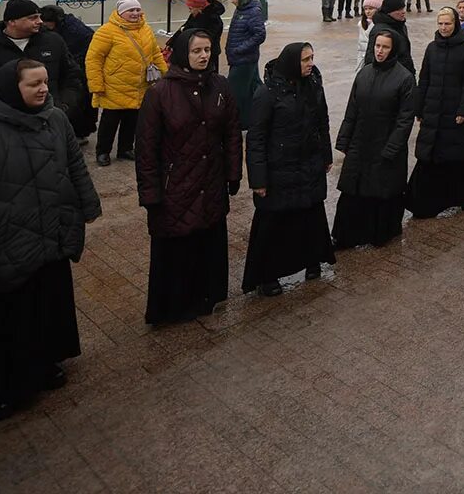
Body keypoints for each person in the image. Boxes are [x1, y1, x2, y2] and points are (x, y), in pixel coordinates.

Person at [0, 59, 101, 421]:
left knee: (45, 307)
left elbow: (75, 166)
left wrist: (87, 204)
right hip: (7, 244)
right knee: (3, 318)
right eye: (34, 84)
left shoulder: (55, 119)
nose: (44, 89)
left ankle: (43, 365)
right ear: (9, 89)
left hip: (50, 235)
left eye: (46, 82)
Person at [135, 30, 242, 324]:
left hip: (210, 182)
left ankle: (206, 297)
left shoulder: (220, 85)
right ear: (184, 53)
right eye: (197, 51)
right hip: (176, 187)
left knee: (207, 243)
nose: (204, 56)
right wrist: (150, 194)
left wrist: (233, 173)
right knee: (177, 248)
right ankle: (173, 307)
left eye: (208, 50)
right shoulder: (159, 93)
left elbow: (232, 133)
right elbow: (146, 148)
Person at [243, 43, 335, 296]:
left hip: (309, 164)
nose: (310, 63)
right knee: (275, 222)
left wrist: (326, 155)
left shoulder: (314, 84)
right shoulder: (268, 93)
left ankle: (312, 260)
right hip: (280, 169)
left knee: (310, 216)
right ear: (292, 62)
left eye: (312, 58)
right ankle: (267, 276)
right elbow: (256, 138)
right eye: (305, 59)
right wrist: (258, 179)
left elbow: (322, 122)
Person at [333, 29, 415, 250]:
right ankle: (346, 235)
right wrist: (344, 141)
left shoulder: (404, 78)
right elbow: (352, 109)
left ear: (393, 49)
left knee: (381, 190)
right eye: (377, 46)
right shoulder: (364, 73)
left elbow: (404, 120)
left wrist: (391, 149)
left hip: (385, 144)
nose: (380, 51)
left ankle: (380, 233)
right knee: (353, 190)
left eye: (385, 47)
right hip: (360, 141)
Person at [0, 0, 81, 120]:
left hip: (49, 119)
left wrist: (63, 108)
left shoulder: (54, 41)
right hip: (2, 123)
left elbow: (72, 76)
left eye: (39, 17)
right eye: (32, 18)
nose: (40, 21)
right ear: (12, 22)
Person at [407, 9, 464, 216]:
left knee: (460, 155)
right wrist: (419, 107)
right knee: (430, 154)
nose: (443, 28)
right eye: (440, 24)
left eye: (447, 24)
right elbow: (424, 79)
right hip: (433, 110)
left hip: (455, 112)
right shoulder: (432, 48)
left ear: (455, 24)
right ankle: (424, 200)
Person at [84, 0, 166, 166]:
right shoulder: (106, 31)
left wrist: (165, 74)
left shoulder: (146, 29)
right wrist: (96, 84)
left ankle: (125, 149)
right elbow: (93, 59)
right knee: (110, 121)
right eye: (131, 10)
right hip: (114, 85)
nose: (135, 13)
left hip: (139, 85)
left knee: (133, 120)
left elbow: (155, 53)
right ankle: (103, 152)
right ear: (121, 13)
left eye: (137, 10)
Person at [37, 4, 99, 138]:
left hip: (81, 68)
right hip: (76, 66)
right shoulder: (65, 27)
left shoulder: (75, 32)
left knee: (80, 103)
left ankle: (80, 132)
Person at [225, 0, 267, 131]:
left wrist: (240, 49)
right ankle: (255, 119)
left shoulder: (253, 12)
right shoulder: (242, 8)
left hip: (244, 60)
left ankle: (239, 121)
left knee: (236, 92)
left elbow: (260, 35)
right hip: (241, 58)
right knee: (253, 89)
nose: (232, 1)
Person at [162, 0, 225, 73]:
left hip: (208, 54)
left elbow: (209, 37)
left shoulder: (213, 19)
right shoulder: (195, 14)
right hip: (194, 51)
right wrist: (171, 42)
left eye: (191, 9)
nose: (190, 11)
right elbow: (184, 28)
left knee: (207, 75)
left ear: (199, 7)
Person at [365, 0, 414, 74]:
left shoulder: (401, 26)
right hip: (389, 76)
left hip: (404, 74)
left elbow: (405, 54)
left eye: (403, 8)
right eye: (399, 10)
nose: (403, 12)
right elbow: (371, 58)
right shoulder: (379, 30)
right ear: (389, 12)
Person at [354, 0, 384, 73]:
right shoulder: (361, 24)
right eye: (365, 9)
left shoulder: (379, 26)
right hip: (361, 59)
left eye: (371, 8)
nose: (367, 11)